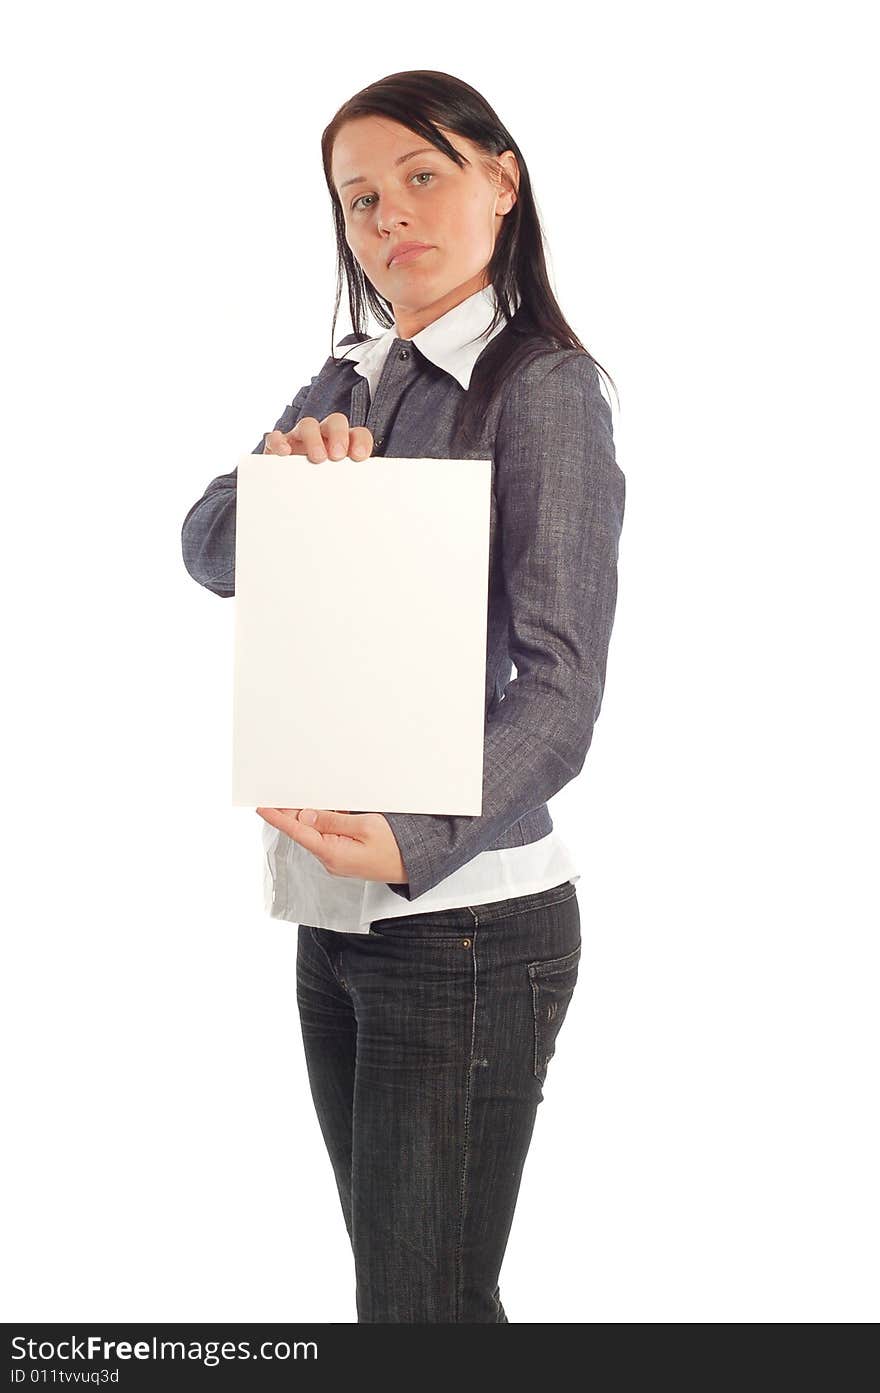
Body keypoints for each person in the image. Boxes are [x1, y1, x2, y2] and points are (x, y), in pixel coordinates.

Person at [181, 69, 626, 1323]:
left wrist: (417, 839)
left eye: (421, 177)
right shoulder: (350, 376)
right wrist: (283, 473)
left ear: (500, 178)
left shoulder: (539, 390)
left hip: (467, 921)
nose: (389, 220)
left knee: (417, 1311)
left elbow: (563, 684)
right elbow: (207, 550)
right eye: (360, 199)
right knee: (416, 1300)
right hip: (334, 912)